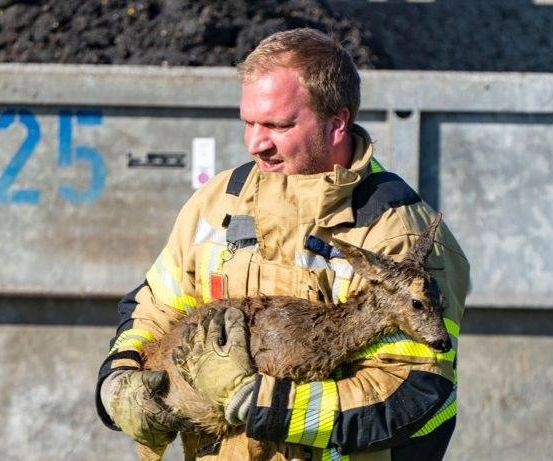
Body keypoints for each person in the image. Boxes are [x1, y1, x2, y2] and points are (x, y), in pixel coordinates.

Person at [96, 28, 470, 460]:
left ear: (337, 122)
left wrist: (259, 401)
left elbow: (411, 393)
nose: (257, 143)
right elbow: (157, 305)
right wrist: (118, 381)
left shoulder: (396, 234)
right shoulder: (220, 200)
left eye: (278, 125)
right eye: (249, 122)